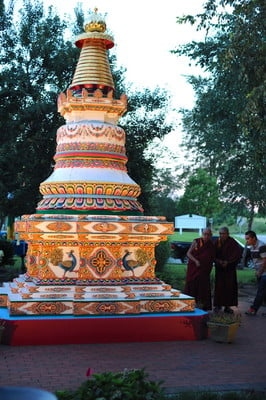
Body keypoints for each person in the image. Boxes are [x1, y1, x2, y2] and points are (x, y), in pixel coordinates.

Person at [184, 228, 215, 311]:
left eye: (208, 234)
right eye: (205, 234)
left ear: (211, 235)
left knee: (203, 287)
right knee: (192, 285)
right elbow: (188, 253)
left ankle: (202, 306)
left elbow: (211, 258)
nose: (206, 236)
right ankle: (189, 304)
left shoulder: (211, 245)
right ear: (202, 234)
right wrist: (196, 261)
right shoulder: (196, 241)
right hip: (194, 268)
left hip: (204, 270)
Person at [213, 227, 242, 313]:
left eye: (224, 233)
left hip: (230, 270)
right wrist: (219, 261)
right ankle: (218, 305)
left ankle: (227, 306)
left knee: (229, 288)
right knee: (219, 287)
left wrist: (228, 262)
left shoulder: (232, 242)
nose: (222, 235)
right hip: (220, 269)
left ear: (228, 234)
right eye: (220, 234)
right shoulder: (217, 242)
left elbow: (237, 254)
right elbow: (213, 254)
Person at [245, 230, 266, 316]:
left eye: (248, 239)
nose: (247, 241)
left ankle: (253, 309)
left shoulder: (261, 246)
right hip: (259, 272)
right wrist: (257, 271)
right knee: (264, 293)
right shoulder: (252, 248)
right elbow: (256, 261)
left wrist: (260, 272)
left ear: (254, 238)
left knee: (260, 292)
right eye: (246, 239)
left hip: (264, 273)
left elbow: (265, 260)